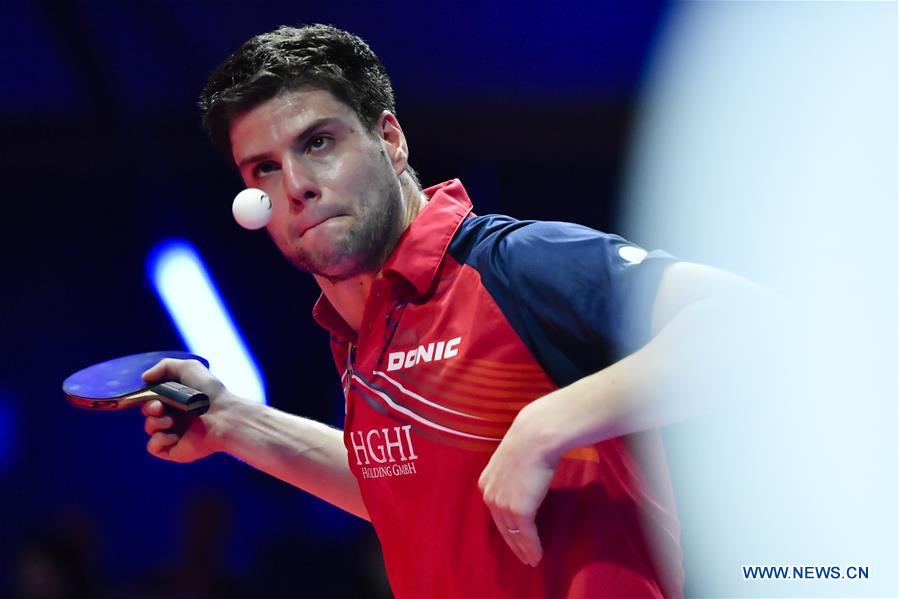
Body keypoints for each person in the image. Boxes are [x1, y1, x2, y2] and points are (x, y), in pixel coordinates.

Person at [141, 23, 774, 598]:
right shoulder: (363, 333)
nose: (298, 185)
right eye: (265, 169)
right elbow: (411, 496)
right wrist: (232, 423)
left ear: (390, 139)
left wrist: (546, 426)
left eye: (319, 143)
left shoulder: (516, 264)